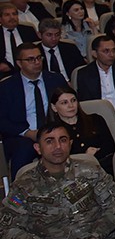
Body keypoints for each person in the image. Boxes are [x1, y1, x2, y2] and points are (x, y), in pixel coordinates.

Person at [0, 42, 68, 176]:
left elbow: (69, 106)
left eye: (39, 58)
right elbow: (2, 121)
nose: (36, 62)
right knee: (24, 149)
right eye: (31, 59)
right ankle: (20, 192)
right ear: (19, 63)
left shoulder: (55, 79)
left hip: (55, 130)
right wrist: (27, 132)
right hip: (23, 136)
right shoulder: (7, 87)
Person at [48, 84, 115, 174]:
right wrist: (86, 157)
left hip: (103, 169)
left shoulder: (96, 119)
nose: (71, 105)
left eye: (73, 100)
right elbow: (57, 160)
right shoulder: (53, 132)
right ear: (54, 107)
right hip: (72, 176)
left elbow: (110, 147)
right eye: (64, 103)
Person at [75, 36, 115, 129]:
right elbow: (87, 104)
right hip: (100, 119)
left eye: (114, 50)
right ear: (94, 54)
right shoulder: (84, 74)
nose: (111, 54)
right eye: (106, 51)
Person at [36, 18, 84, 82]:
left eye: (57, 35)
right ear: (39, 35)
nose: (54, 38)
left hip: (70, 84)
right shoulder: (35, 52)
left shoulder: (70, 48)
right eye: (49, 35)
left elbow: (81, 70)